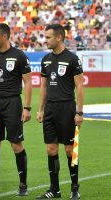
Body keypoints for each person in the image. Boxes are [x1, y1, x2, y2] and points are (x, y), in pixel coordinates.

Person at [36, 24, 84, 200]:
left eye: (48, 37)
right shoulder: (45, 60)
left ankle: (74, 187)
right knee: (50, 149)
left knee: (70, 150)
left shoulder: (72, 59)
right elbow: (43, 86)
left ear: (58, 38)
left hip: (67, 108)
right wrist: (40, 109)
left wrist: (79, 112)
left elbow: (79, 86)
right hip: (50, 110)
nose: (45, 40)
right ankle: (54, 189)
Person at [0, 23, 32, 196]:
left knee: (16, 144)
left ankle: (23, 184)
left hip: (13, 103)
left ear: (4, 36)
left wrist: (27, 108)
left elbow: (28, 82)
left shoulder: (19, 56)